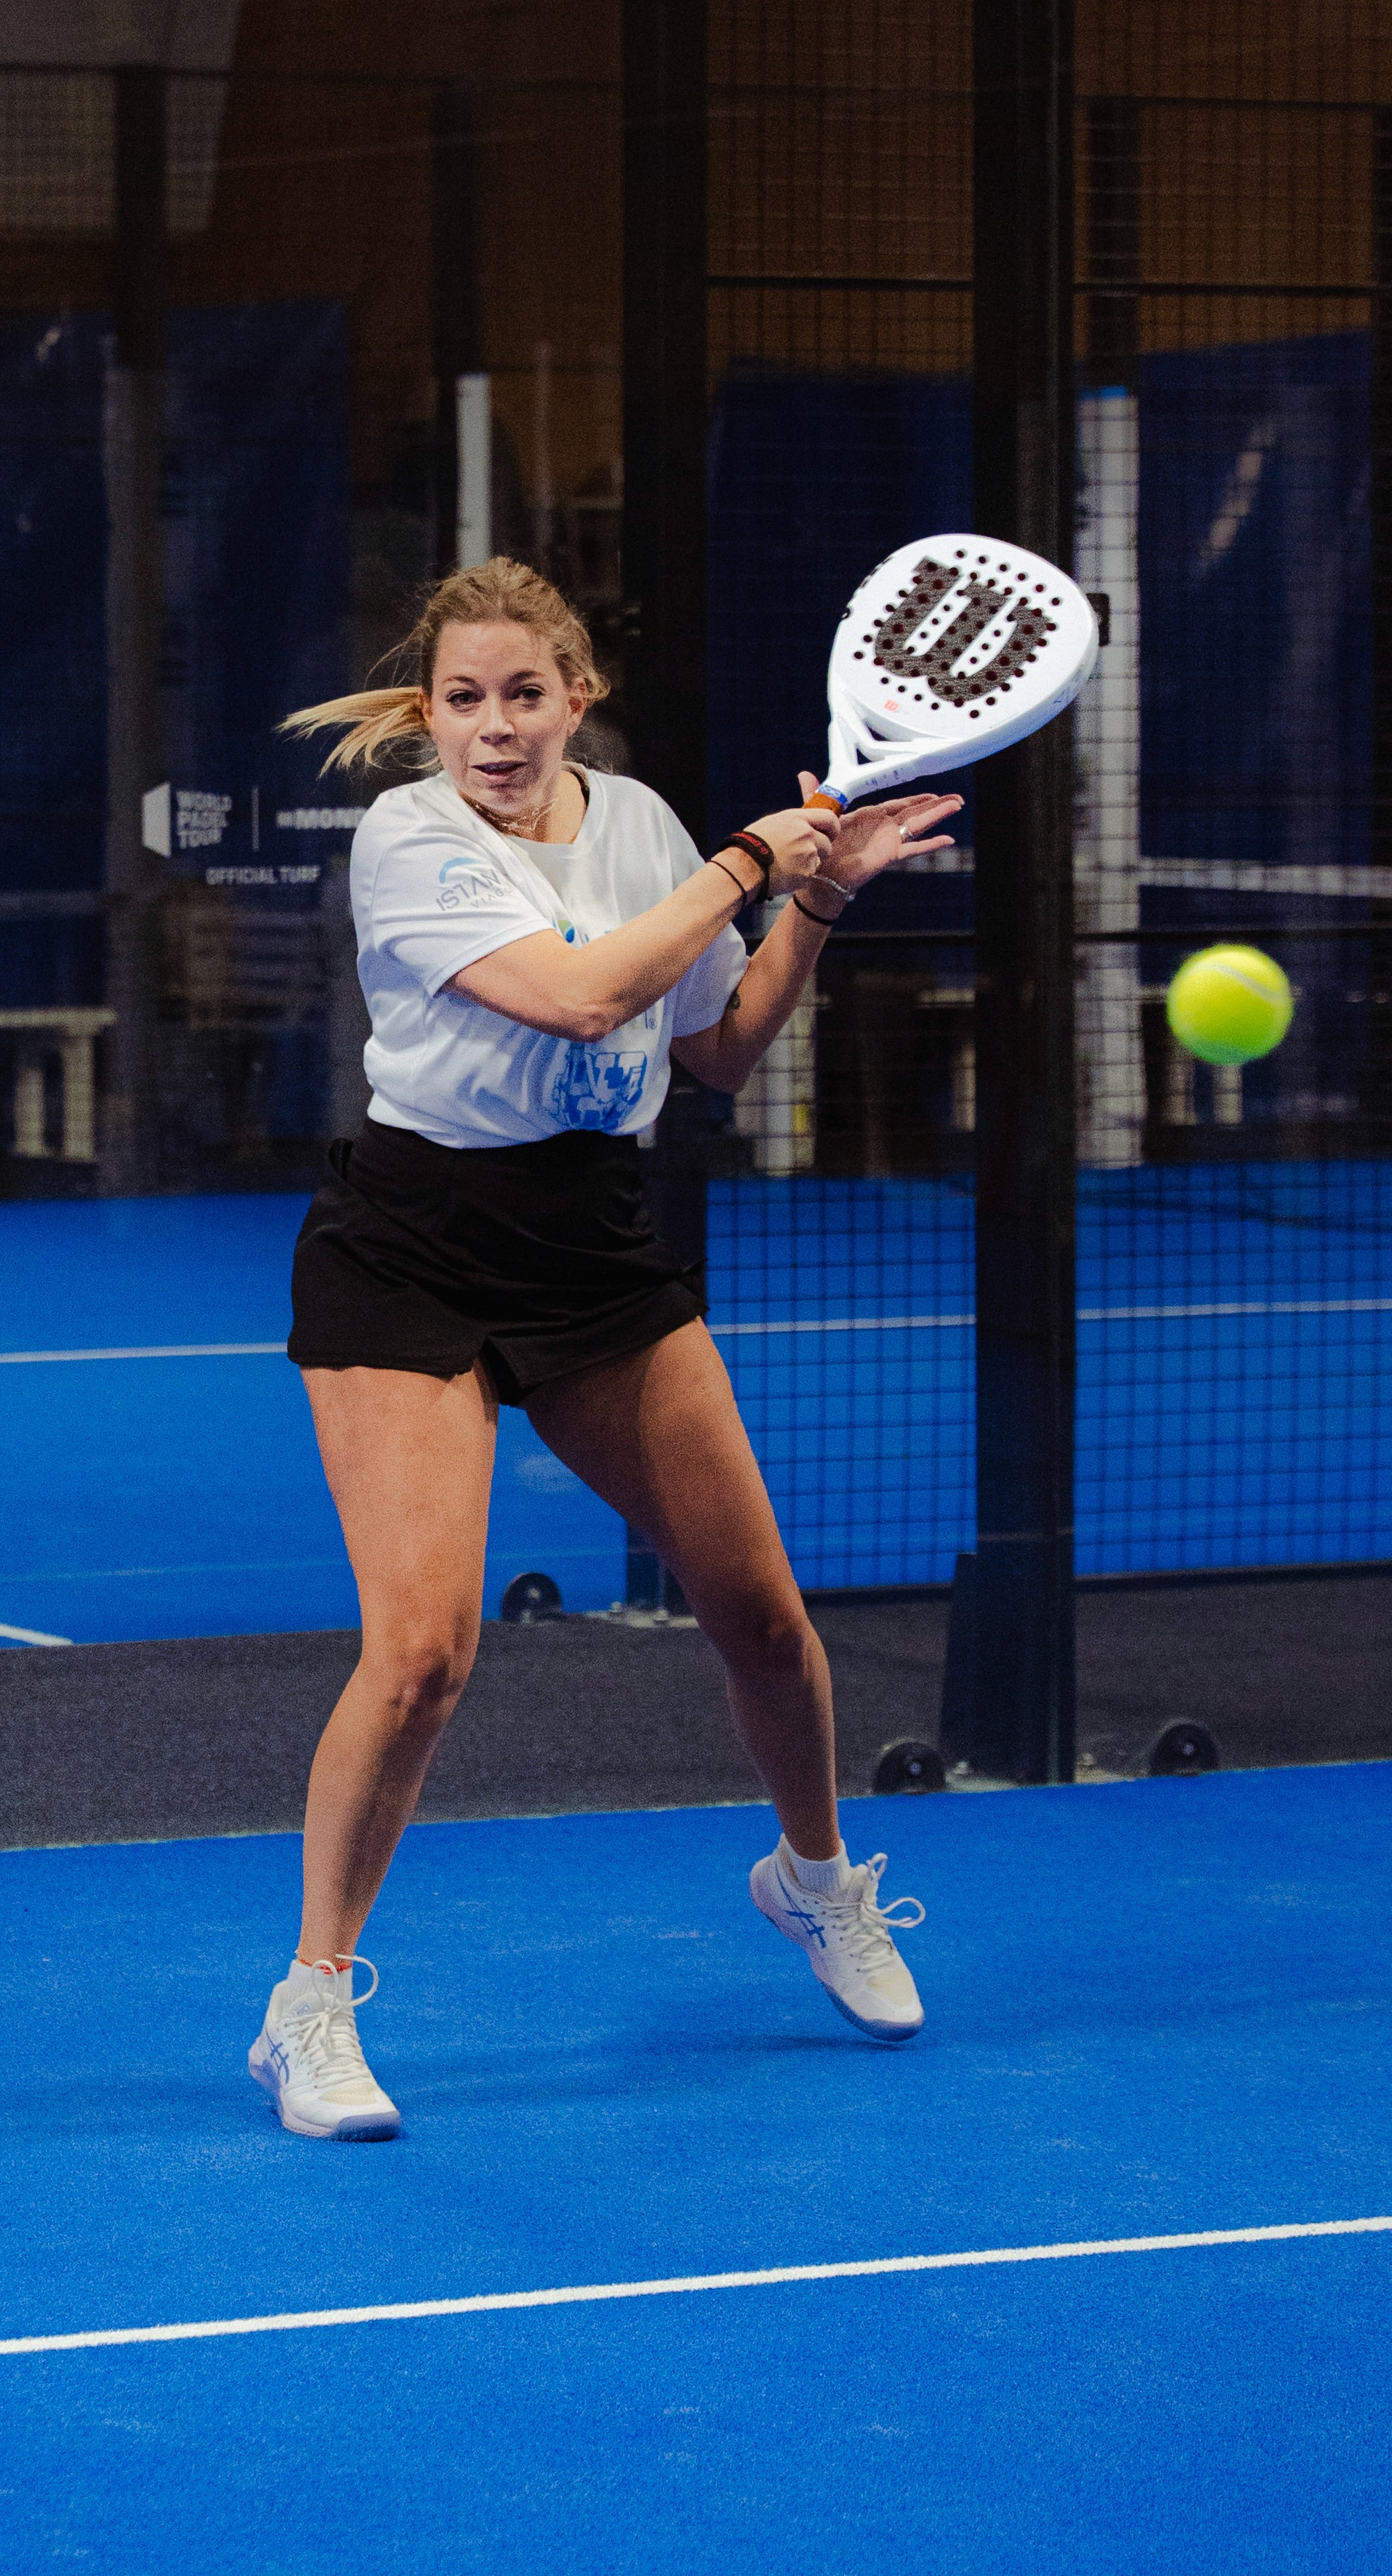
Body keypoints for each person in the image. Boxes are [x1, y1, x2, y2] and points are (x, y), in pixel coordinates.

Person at [248, 558, 962, 2140]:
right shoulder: (406, 834)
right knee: (424, 1648)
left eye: (521, 693)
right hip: (408, 1252)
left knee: (763, 1618)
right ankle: (308, 2002)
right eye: (460, 697)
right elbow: (575, 999)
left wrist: (816, 899)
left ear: (577, 695)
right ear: (426, 712)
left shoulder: (634, 823)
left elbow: (708, 1042)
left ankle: (812, 1876)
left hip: (594, 1247)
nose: (491, 727)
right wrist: (743, 862)